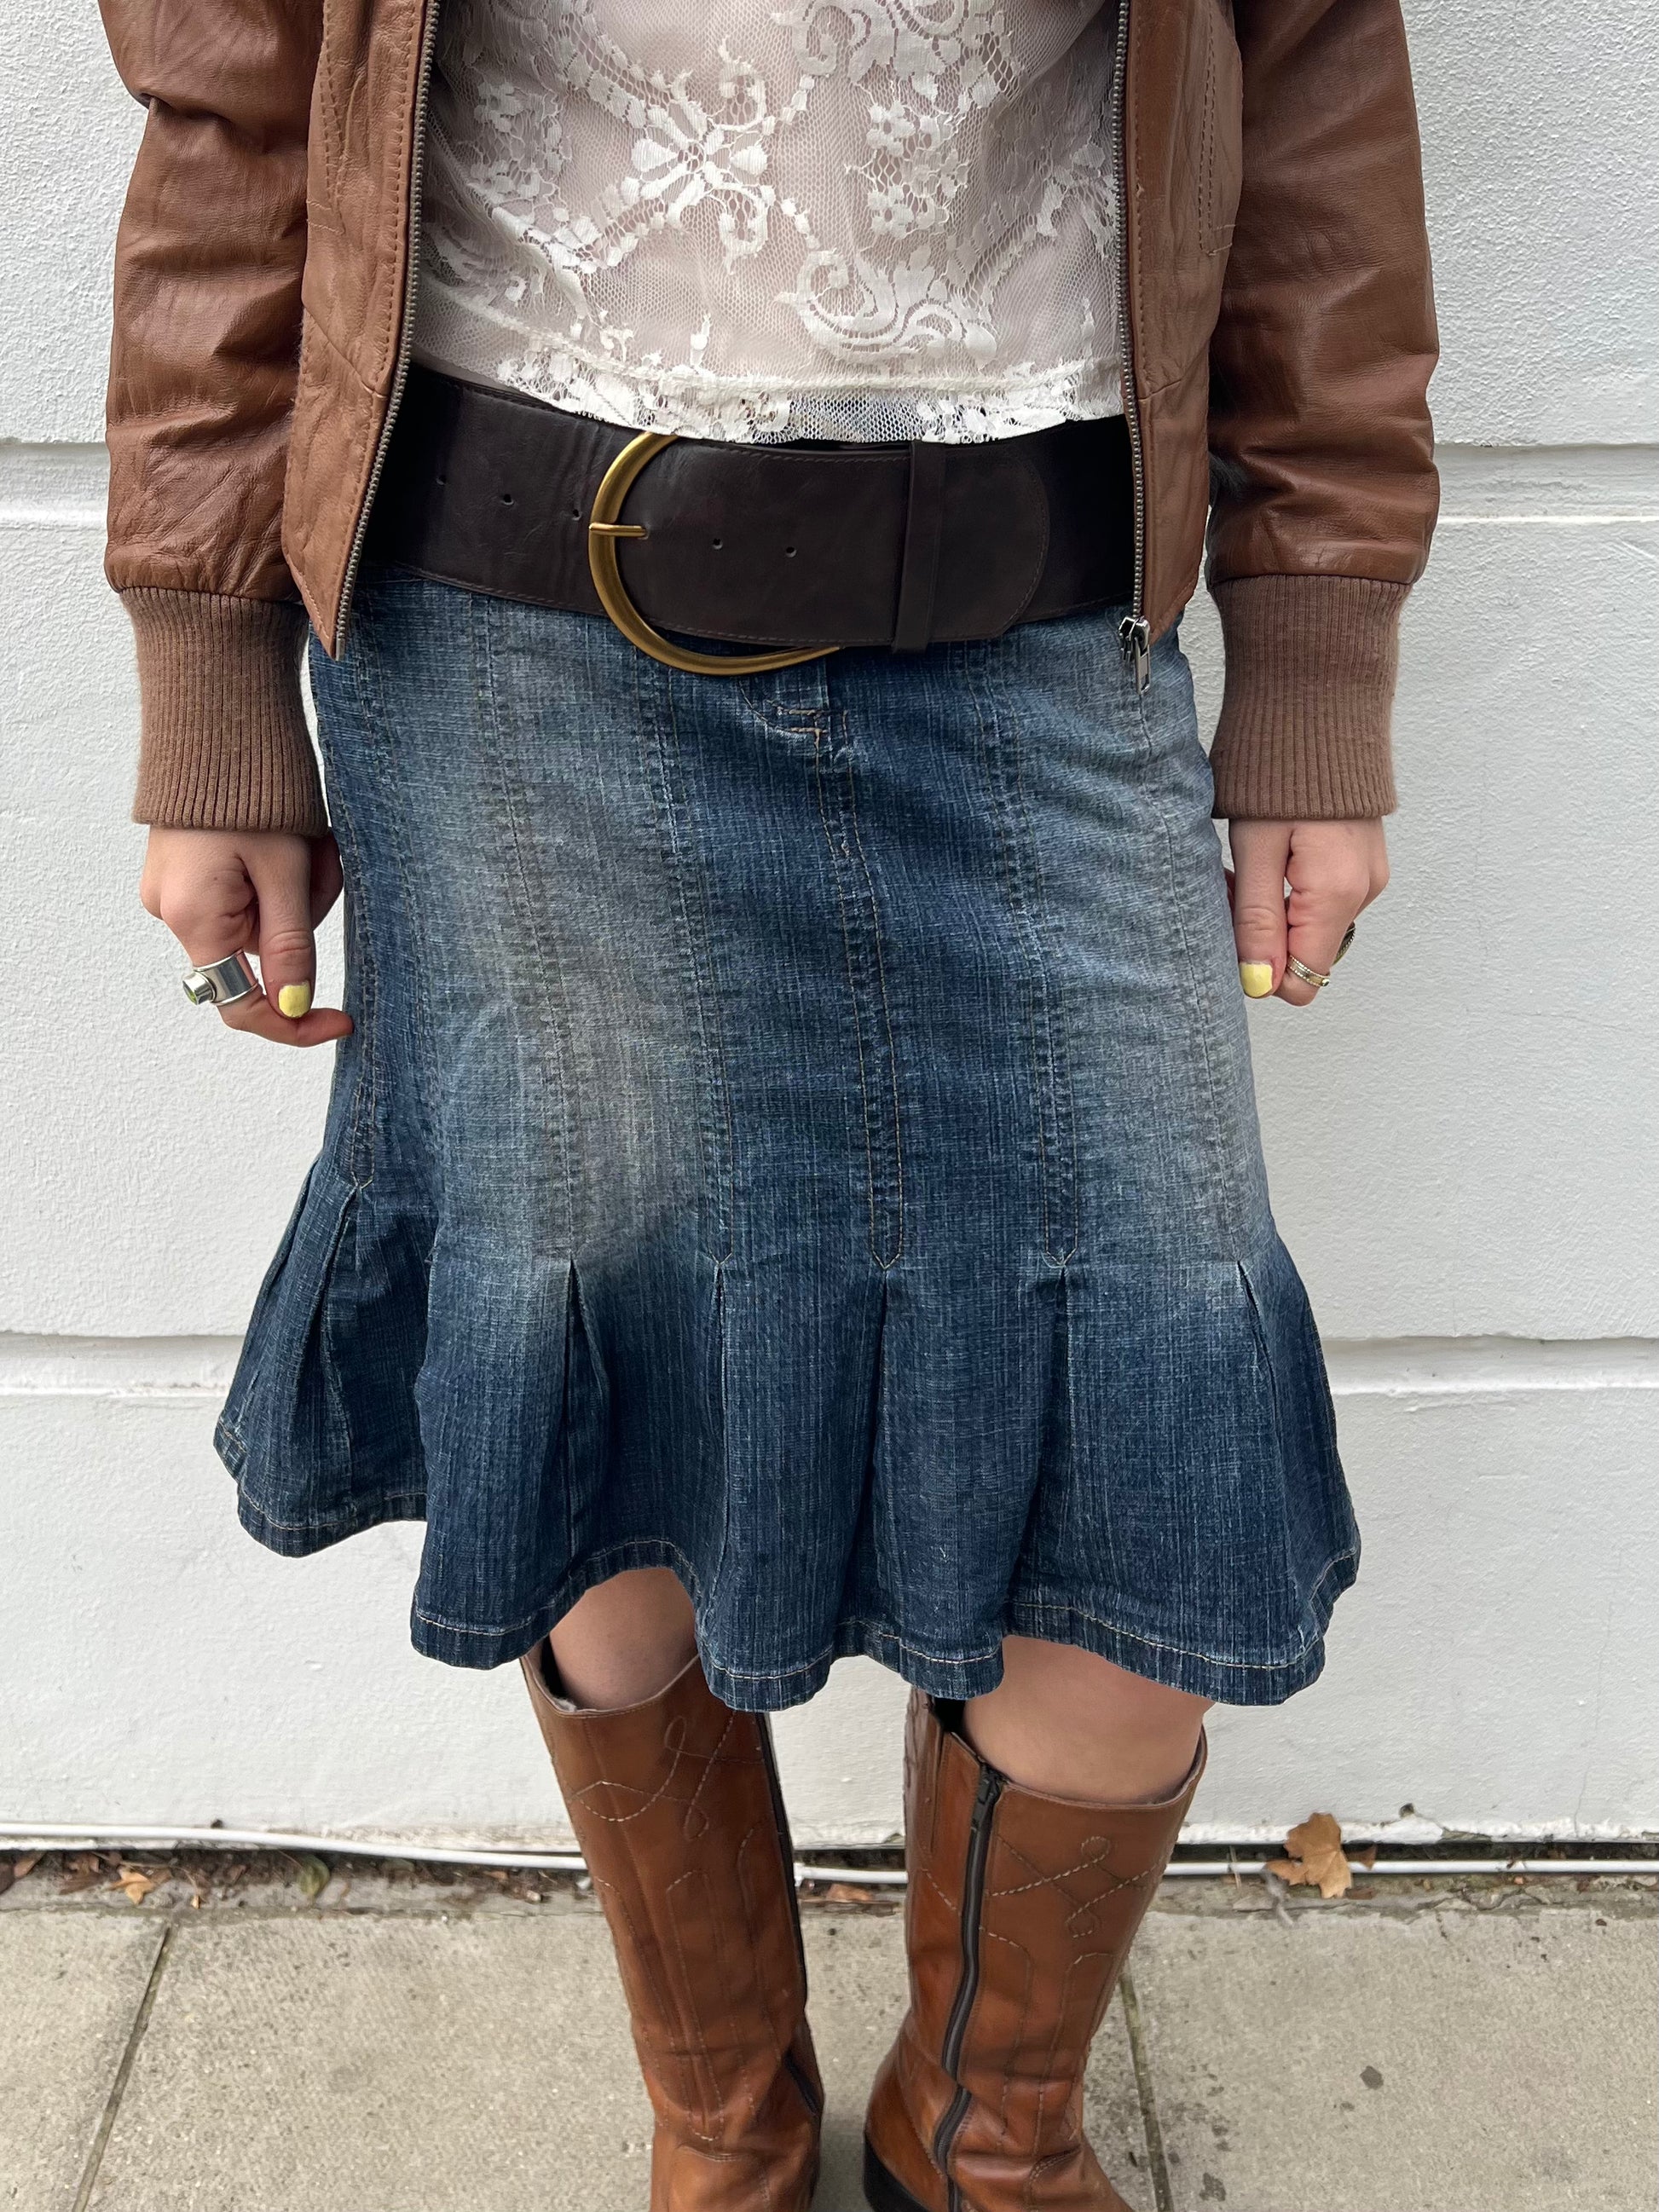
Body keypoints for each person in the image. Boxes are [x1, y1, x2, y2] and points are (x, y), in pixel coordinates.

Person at [97, 0, 1436, 2203]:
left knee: (1138, 1469)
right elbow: (239, 105)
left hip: (1039, 622)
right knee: (611, 1440)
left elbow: (1303, 87)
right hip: (508, 629)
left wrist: (1313, 659)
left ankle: (980, 2131)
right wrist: (207, 666)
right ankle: (721, 2114)